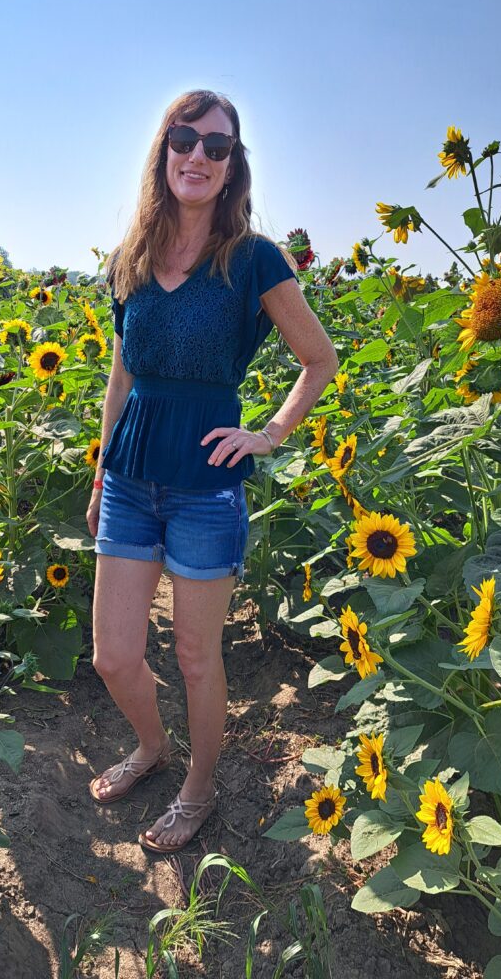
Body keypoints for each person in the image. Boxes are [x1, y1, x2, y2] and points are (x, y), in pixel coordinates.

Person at [86, 89, 339, 853]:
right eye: (183, 138)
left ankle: (198, 786)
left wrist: (266, 435)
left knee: (197, 657)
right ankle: (152, 747)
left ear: (232, 168)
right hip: (129, 479)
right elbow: (120, 378)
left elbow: (318, 359)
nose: (197, 154)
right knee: (113, 655)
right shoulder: (129, 258)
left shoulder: (252, 258)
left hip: (205, 490)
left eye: (216, 146)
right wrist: (99, 474)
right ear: (163, 151)